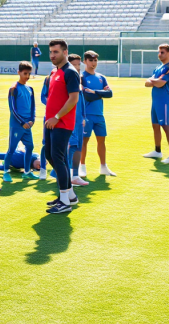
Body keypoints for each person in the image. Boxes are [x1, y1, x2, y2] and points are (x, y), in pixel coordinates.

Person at [43, 39, 81, 214]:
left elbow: (73, 99)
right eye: (51, 52)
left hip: (61, 123)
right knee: (50, 155)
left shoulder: (70, 72)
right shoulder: (54, 72)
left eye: (56, 52)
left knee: (58, 158)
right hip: (51, 122)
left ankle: (65, 201)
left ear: (65, 52)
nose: (52, 55)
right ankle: (69, 195)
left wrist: (57, 117)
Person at [80, 51, 116, 177]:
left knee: (102, 140)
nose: (93, 63)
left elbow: (110, 94)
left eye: (95, 60)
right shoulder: (82, 77)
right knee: (84, 141)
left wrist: (95, 92)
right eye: (90, 60)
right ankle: (82, 166)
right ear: (84, 61)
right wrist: (101, 93)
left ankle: (103, 166)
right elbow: (87, 96)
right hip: (87, 115)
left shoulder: (101, 77)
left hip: (99, 115)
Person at [143, 44, 169, 164]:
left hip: (164, 100)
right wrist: (154, 81)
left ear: (168, 53)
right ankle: (157, 151)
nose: (160, 54)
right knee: (155, 125)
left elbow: (160, 83)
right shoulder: (158, 68)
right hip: (156, 100)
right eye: (159, 52)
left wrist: (154, 81)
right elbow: (147, 83)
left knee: (165, 126)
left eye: (162, 52)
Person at [4, 61, 38, 181]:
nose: (27, 76)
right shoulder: (14, 89)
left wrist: (32, 120)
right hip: (17, 125)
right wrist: (22, 122)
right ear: (19, 73)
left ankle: (27, 172)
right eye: (25, 73)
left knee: (30, 146)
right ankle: (6, 172)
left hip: (27, 125)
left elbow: (33, 106)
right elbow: (12, 109)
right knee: (12, 149)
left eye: (29, 74)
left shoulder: (30, 89)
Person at [66, 54, 89, 187]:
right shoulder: (67, 78)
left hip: (80, 119)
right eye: (74, 65)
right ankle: (66, 175)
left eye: (78, 65)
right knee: (71, 146)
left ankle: (75, 175)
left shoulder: (79, 80)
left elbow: (82, 100)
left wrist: (84, 116)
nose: (77, 67)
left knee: (79, 147)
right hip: (70, 119)